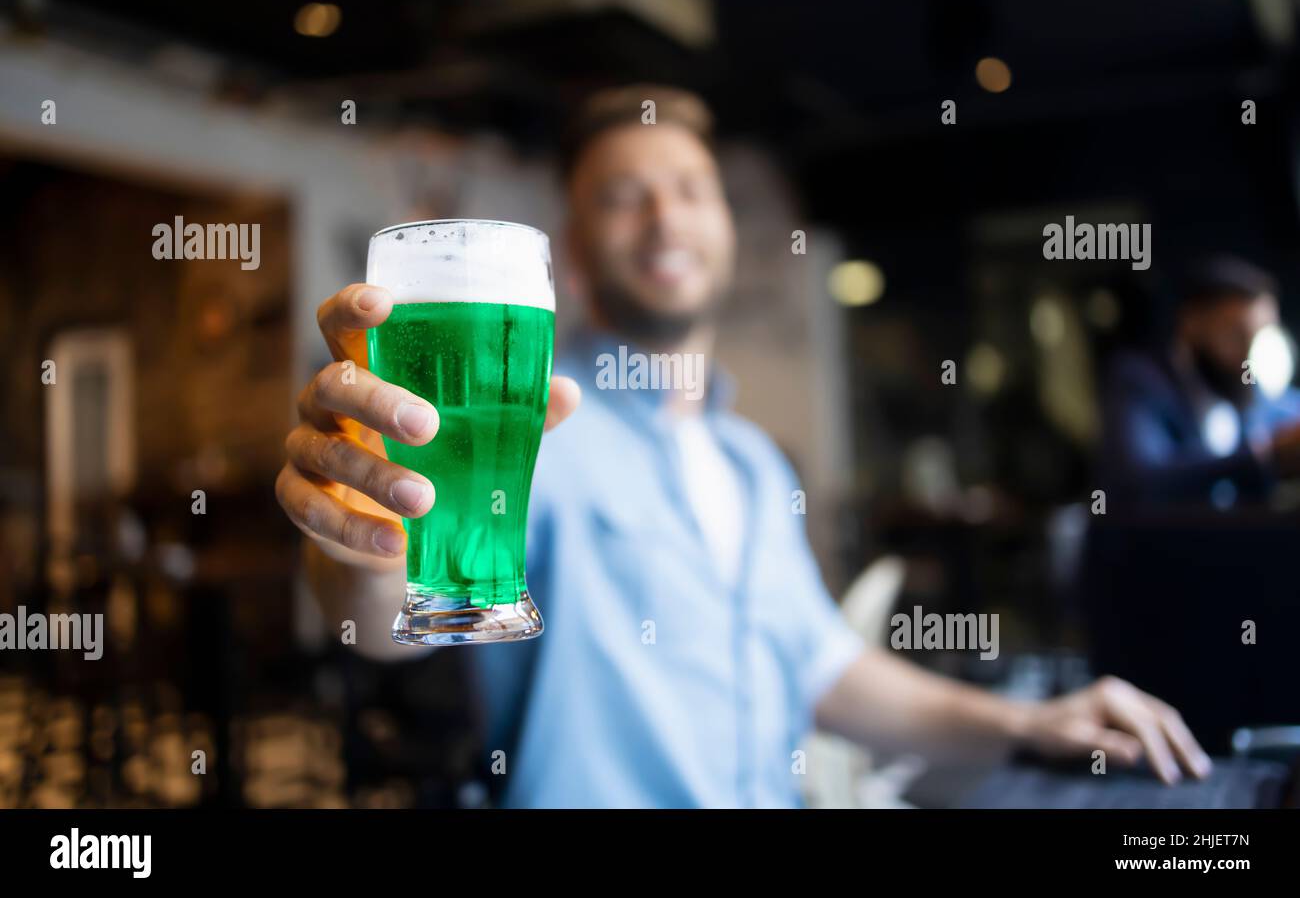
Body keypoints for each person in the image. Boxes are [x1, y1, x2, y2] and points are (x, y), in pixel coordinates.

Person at [276, 84, 1210, 807]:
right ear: (572, 245)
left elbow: (821, 669)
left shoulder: (753, 465)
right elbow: (378, 620)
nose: (664, 218)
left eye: (689, 190)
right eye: (623, 197)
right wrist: (358, 542)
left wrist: (1031, 723)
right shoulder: (532, 427)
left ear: (725, 223)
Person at [1098, 255, 1300, 510]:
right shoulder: (1140, 381)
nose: (1249, 356)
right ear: (1191, 325)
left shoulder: (1258, 392)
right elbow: (1141, 481)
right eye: (1235, 335)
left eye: (1261, 338)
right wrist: (1264, 457)